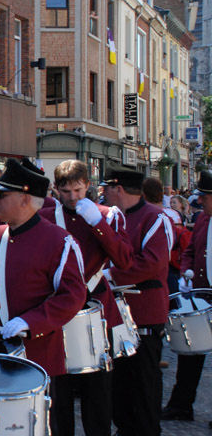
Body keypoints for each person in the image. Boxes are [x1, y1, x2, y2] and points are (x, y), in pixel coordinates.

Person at [0, 159, 87, 435]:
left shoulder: (59, 241)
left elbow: (72, 296)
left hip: (39, 355)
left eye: (2, 194)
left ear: (24, 199)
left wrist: (31, 322)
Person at [38, 159, 133, 436]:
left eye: (78, 190)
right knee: (59, 392)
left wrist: (98, 223)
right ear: (56, 189)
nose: (72, 197)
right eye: (66, 192)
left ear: (88, 186)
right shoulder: (45, 216)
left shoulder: (108, 215)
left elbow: (124, 260)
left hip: (96, 307)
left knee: (98, 392)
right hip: (57, 307)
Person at [102, 164, 172, 436]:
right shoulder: (112, 217)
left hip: (144, 313)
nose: (103, 193)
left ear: (118, 189)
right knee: (119, 384)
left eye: (107, 188)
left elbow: (151, 263)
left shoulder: (155, 218)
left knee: (143, 383)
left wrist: (110, 275)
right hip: (115, 314)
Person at [162, 170, 212, 423]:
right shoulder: (203, 219)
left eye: (205, 197)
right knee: (190, 349)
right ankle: (181, 405)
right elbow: (190, 250)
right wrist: (185, 274)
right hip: (202, 292)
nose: (199, 201)